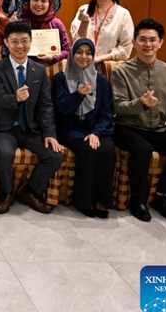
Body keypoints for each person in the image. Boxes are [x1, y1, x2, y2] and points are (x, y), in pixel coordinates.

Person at [111, 19, 166, 222]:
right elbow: (117, 107)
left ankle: (162, 197)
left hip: (157, 128)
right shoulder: (121, 71)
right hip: (126, 127)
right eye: (142, 40)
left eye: (152, 40)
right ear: (134, 42)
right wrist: (141, 103)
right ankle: (137, 200)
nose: (147, 44)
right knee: (142, 149)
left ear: (160, 43)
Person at [0, 21, 63, 215]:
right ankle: (6, 193)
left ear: (31, 41)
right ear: (6, 43)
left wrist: (50, 133)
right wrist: (15, 99)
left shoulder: (39, 70)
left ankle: (30, 191)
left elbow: (46, 105)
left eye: (24, 41)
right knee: (3, 154)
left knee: (55, 155)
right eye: (14, 42)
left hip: (30, 128)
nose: (20, 46)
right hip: (5, 127)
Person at [52, 38, 115, 218]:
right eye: (79, 52)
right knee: (87, 150)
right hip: (71, 128)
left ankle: (102, 200)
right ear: (72, 54)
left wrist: (96, 132)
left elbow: (107, 111)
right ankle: (84, 201)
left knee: (107, 149)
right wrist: (78, 94)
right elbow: (61, 108)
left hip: (96, 128)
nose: (84, 56)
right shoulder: (61, 79)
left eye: (89, 53)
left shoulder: (101, 80)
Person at [70, 0, 134, 65]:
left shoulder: (123, 14)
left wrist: (99, 58)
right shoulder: (84, 10)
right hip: (82, 65)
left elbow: (126, 49)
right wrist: (84, 23)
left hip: (108, 68)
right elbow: (77, 42)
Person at [17, 0, 70, 65]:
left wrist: (53, 57)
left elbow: (67, 51)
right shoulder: (21, 24)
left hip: (50, 72)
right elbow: (11, 49)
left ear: (49, 3)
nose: (39, 4)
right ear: (29, 1)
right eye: (35, 0)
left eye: (43, 1)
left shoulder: (56, 24)